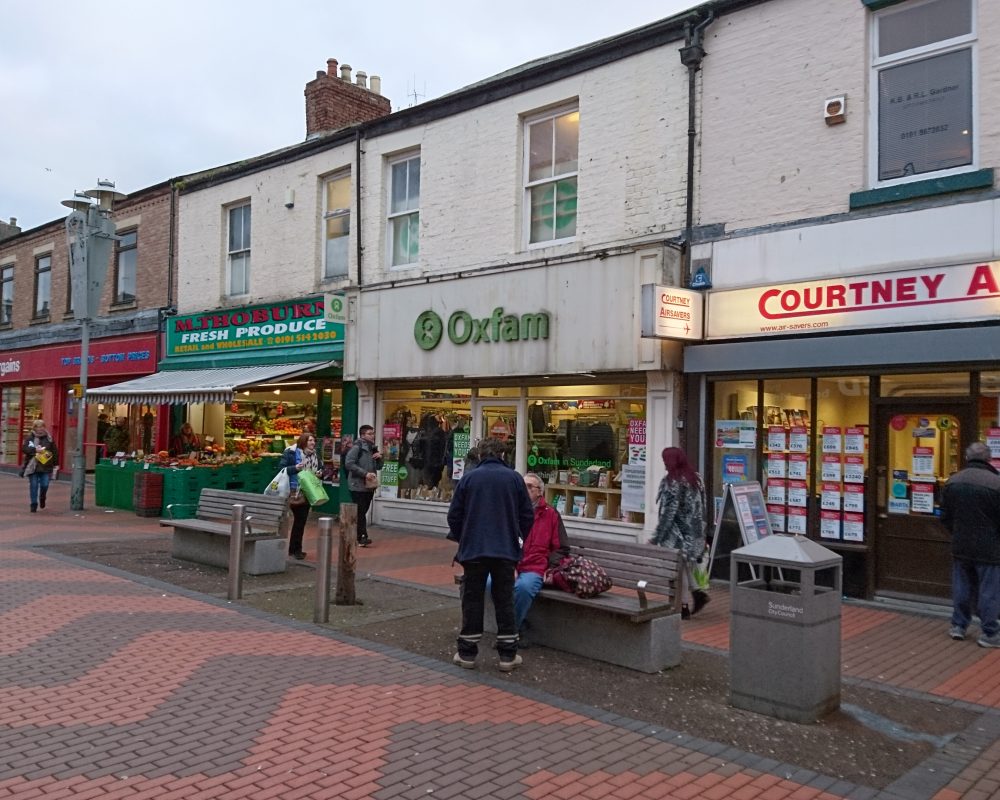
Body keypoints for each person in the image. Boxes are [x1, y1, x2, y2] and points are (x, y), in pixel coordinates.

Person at [447, 437, 534, 672]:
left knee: (472, 599)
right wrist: (518, 538)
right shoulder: (514, 479)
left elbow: (454, 516)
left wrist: (463, 537)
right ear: (503, 455)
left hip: (474, 550)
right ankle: (507, 655)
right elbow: (527, 516)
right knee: (504, 599)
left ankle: (467, 653)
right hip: (505, 550)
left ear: (481, 455)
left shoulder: (469, 478)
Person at [940, 441, 1000, 647]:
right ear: (989, 459)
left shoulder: (953, 482)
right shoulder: (996, 483)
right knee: (989, 591)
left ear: (967, 458)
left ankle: (958, 626)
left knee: (962, 586)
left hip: (961, 545)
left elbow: (945, 515)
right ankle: (989, 633)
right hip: (990, 548)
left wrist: (956, 532)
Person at [650, 446, 708, 619]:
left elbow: (669, 513)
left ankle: (682, 606)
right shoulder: (696, 479)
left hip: (678, 535)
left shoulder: (673, 482)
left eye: (665, 460)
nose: (665, 464)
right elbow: (702, 506)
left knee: (678, 570)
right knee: (685, 566)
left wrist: (656, 538)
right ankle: (698, 593)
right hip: (695, 532)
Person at [514, 472, 569, 637]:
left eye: (530, 486)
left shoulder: (551, 514)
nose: (525, 489)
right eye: (522, 486)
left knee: (523, 588)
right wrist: (509, 564)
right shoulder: (511, 510)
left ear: (540, 492)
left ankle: (510, 631)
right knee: (489, 582)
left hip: (535, 567)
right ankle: (519, 625)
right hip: (510, 564)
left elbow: (561, 547)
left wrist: (550, 567)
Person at [279, 432, 321, 560]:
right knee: (298, 520)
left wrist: (320, 473)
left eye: (313, 441)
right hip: (293, 490)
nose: (313, 443)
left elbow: (320, 467)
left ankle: (295, 549)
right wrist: (295, 468)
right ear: (303, 442)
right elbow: (281, 468)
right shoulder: (291, 453)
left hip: (308, 490)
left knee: (300, 521)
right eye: (310, 441)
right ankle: (295, 549)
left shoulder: (314, 455)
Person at [345, 424, 382, 547]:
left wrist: (379, 459)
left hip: (369, 485)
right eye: (370, 434)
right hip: (357, 485)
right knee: (360, 511)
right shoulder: (357, 447)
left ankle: (357, 535)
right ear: (362, 435)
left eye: (373, 433)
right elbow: (349, 464)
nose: (372, 436)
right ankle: (362, 537)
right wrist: (364, 474)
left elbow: (379, 467)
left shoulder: (373, 448)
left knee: (363, 511)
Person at [22, 419, 58, 513]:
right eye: (38, 427)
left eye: (42, 426)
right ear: (34, 428)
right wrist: (35, 450)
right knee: (33, 485)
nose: (40, 429)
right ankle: (33, 504)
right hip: (33, 466)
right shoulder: (30, 438)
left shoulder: (49, 438)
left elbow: (54, 451)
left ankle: (42, 497)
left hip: (46, 465)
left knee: (45, 485)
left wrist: (56, 464)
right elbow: (25, 449)